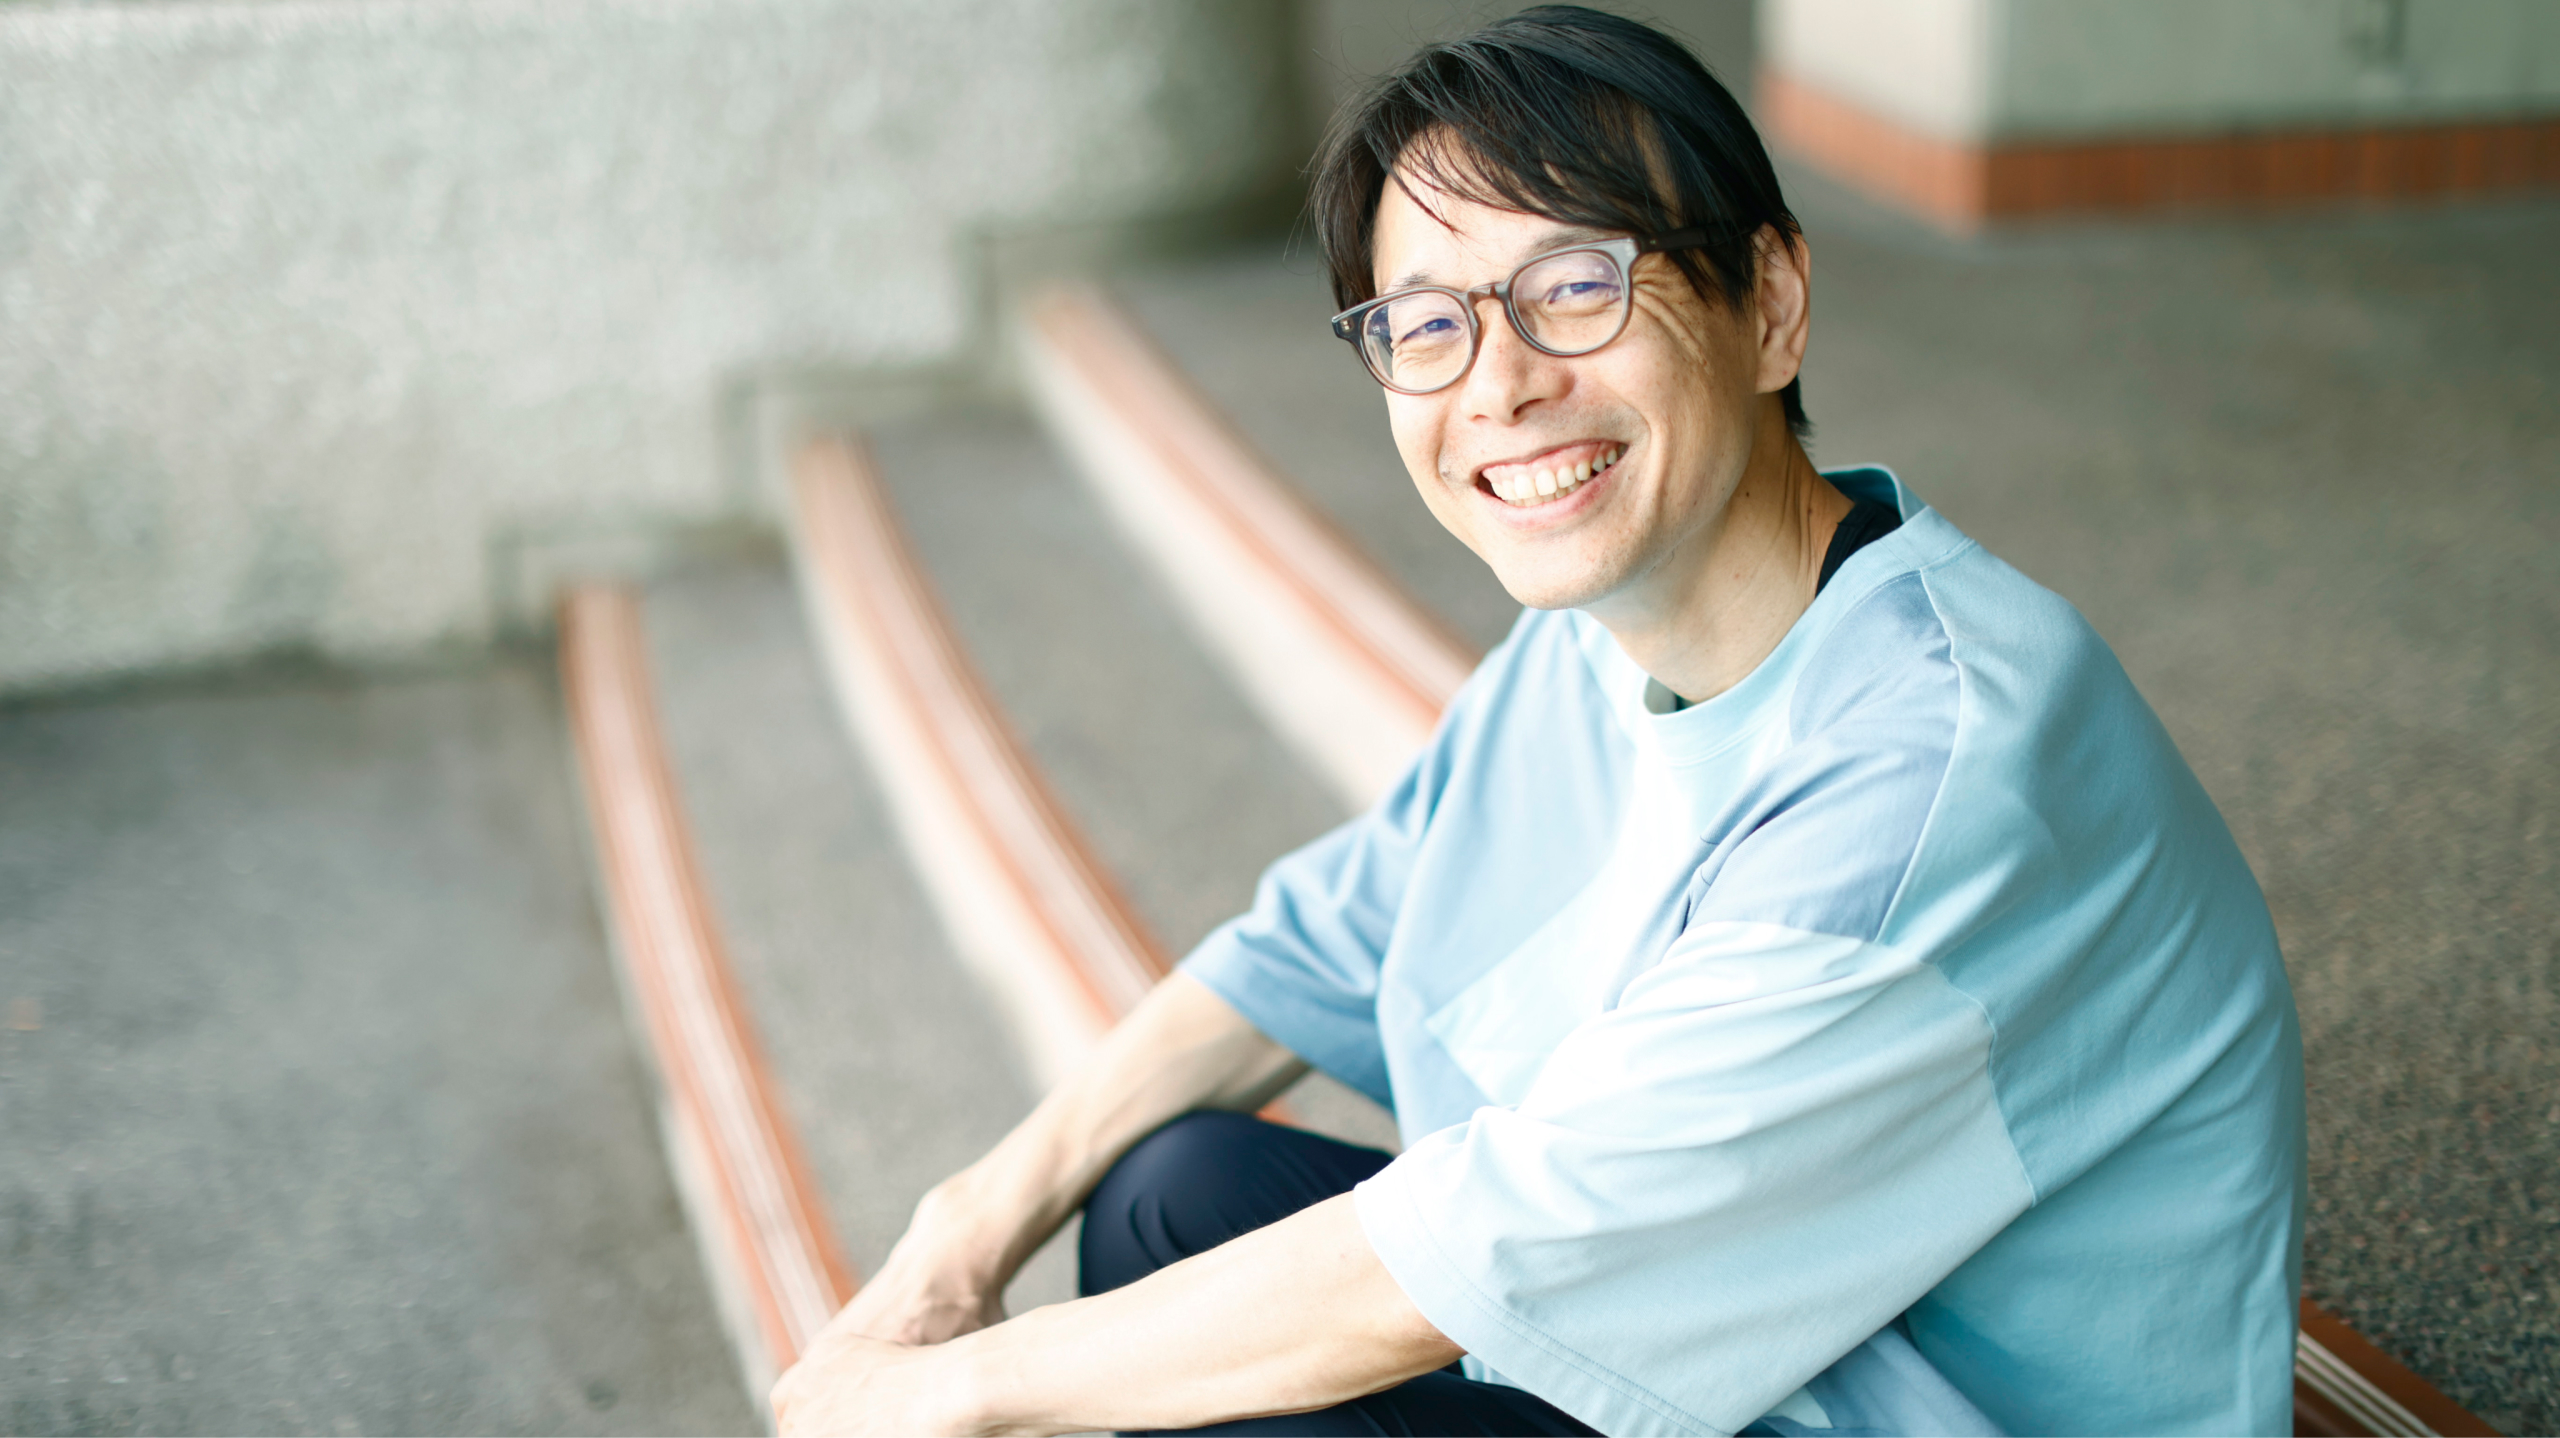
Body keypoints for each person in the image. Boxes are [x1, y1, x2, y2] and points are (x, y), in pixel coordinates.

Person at [770, 7, 2306, 1434]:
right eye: (1425, 323)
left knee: (1221, 1369)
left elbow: (1495, 1245)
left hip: (1910, 1405)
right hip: (1746, 1346)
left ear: (1770, 304)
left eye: (1576, 285)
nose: (1498, 384)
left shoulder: (1938, 772)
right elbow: (1317, 943)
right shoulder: (1589, 645)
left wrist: (955, 1392)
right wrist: (956, 1239)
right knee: (1176, 1192)